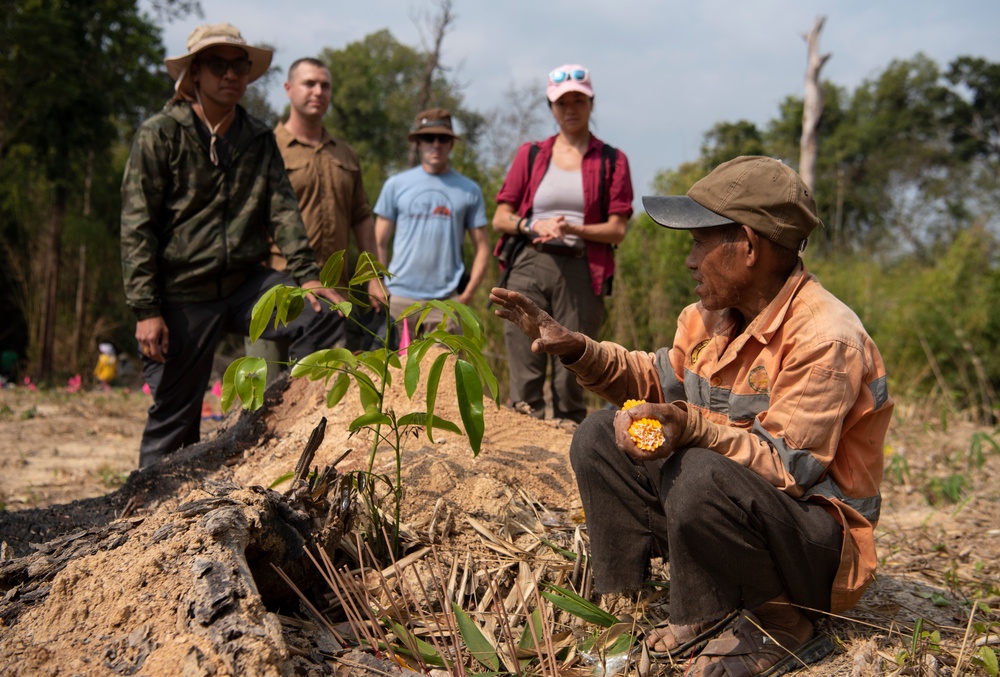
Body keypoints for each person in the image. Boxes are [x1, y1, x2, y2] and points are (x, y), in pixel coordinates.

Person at [491, 156, 892, 676]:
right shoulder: (707, 317)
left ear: (747, 246)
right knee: (596, 434)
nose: (690, 260)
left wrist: (693, 428)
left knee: (698, 471)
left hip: (813, 544)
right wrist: (578, 350)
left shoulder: (825, 338)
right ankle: (644, 604)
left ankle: (785, 622)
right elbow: (655, 379)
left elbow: (789, 469)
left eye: (700, 241)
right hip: (741, 512)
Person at [121, 23, 344, 468]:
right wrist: (146, 309)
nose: (231, 75)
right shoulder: (161, 134)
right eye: (218, 65)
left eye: (239, 66)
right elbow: (136, 225)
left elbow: (283, 211)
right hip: (182, 292)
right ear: (195, 73)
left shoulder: (258, 139)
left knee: (319, 312)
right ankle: (144, 517)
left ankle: (297, 432)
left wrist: (308, 277)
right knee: (175, 420)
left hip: (246, 285)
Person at [492, 64, 633, 425]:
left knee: (574, 361)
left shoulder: (612, 160)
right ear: (551, 107)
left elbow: (617, 229)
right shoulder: (532, 154)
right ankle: (525, 428)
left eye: (578, 101)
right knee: (525, 360)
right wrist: (531, 224)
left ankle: (571, 437)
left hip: (582, 267)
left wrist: (573, 227)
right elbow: (501, 217)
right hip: (529, 261)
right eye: (561, 103)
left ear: (591, 104)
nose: (570, 109)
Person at [249, 57, 382, 366]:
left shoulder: (346, 154)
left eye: (325, 85)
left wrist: (374, 277)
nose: (318, 91)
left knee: (324, 397)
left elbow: (362, 215)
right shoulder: (267, 147)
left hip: (335, 296)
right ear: (288, 88)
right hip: (278, 291)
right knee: (266, 400)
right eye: (309, 83)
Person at [372, 108, 490, 337]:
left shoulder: (469, 190)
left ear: (451, 144)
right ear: (418, 142)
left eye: (443, 138)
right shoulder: (395, 184)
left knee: (445, 372)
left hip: (445, 303)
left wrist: (466, 296)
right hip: (398, 300)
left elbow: (483, 247)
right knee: (393, 372)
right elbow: (378, 241)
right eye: (428, 138)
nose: (436, 144)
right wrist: (378, 284)